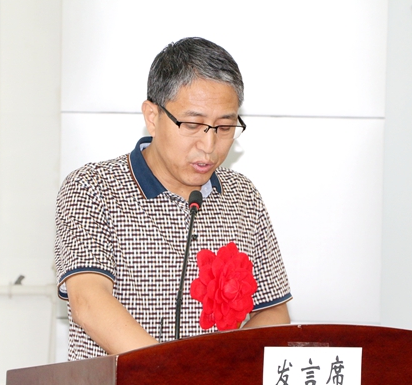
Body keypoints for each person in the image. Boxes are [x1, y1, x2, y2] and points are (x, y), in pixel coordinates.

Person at [54, 37, 292, 360]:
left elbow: (273, 313)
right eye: (192, 125)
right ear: (152, 116)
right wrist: (173, 373)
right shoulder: (93, 188)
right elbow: (89, 302)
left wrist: (216, 371)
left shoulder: (243, 197)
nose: (208, 146)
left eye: (224, 128)